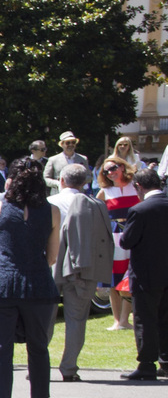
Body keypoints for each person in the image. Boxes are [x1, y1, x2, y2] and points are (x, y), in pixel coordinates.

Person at [0, 158, 61, 398]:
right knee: (39, 348)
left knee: (2, 352)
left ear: (10, 181)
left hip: (1, 283)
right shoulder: (52, 212)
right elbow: (51, 257)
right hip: (38, 284)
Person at [49, 161, 113, 384]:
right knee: (76, 320)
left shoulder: (49, 203)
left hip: (50, 266)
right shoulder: (97, 205)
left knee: (44, 319)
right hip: (82, 268)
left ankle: (37, 364)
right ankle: (69, 368)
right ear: (86, 182)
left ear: (62, 181)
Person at [120, 166, 167, 380]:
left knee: (145, 319)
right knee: (165, 319)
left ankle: (147, 364)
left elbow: (127, 241)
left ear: (139, 187)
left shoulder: (140, 210)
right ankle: (166, 362)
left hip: (147, 274)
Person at [100, 152, 141, 331]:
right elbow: (97, 214)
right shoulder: (105, 192)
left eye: (113, 168)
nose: (110, 173)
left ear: (122, 167)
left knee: (131, 275)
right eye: (106, 170)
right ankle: (117, 320)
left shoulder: (136, 187)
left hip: (135, 235)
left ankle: (126, 319)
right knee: (115, 278)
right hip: (115, 237)